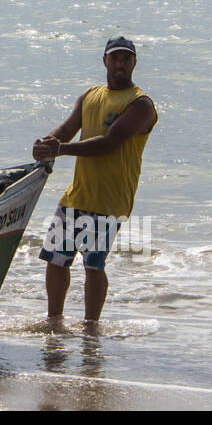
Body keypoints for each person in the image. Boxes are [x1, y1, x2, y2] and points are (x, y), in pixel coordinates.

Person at [32, 37, 157, 322]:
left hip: (109, 200)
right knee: (55, 259)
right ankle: (54, 321)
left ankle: (91, 327)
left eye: (126, 59)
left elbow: (109, 143)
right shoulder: (90, 95)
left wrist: (60, 150)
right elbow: (66, 129)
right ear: (104, 61)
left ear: (134, 63)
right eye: (114, 58)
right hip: (77, 194)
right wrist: (46, 144)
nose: (120, 64)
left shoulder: (140, 104)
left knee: (93, 264)